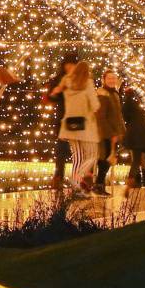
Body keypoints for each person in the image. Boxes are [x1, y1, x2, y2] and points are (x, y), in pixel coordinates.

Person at [51, 60, 102, 198]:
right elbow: (95, 105)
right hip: (85, 125)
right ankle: (76, 180)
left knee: (77, 157)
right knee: (92, 155)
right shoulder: (88, 83)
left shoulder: (66, 82)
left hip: (69, 125)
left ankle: (76, 187)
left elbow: (55, 92)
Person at [45, 54, 79, 189]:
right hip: (63, 119)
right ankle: (58, 177)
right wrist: (55, 92)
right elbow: (52, 97)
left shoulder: (80, 80)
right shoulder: (60, 80)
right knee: (61, 149)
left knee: (77, 151)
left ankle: (77, 179)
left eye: (72, 65)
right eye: (68, 64)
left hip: (77, 119)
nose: (70, 67)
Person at [93, 69, 126, 197]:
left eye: (114, 78)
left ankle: (99, 185)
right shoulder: (103, 94)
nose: (112, 80)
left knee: (107, 160)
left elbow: (118, 116)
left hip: (114, 134)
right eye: (109, 78)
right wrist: (111, 134)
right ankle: (98, 185)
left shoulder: (115, 94)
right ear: (104, 80)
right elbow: (101, 117)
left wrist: (121, 132)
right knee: (104, 160)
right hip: (105, 134)